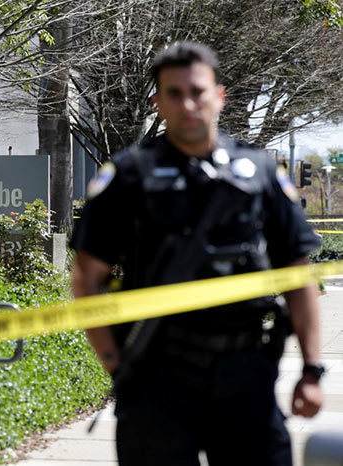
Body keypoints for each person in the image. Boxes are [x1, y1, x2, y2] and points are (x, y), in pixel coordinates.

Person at [71, 41, 324, 466]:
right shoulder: (129, 175)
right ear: (158, 102)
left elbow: (299, 275)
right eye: (174, 93)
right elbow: (86, 278)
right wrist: (118, 369)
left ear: (219, 96)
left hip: (245, 371)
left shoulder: (260, 171)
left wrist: (311, 370)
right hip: (156, 375)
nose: (188, 103)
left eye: (198, 91)